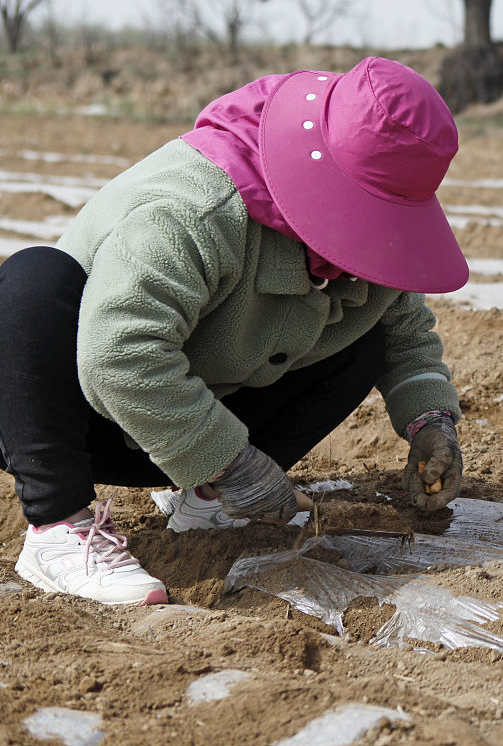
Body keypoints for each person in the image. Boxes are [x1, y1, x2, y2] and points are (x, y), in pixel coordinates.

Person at [0, 57, 469, 606]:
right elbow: (117, 356)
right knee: (34, 279)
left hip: (182, 422)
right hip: (67, 416)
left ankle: (206, 500)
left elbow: (405, 332)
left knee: (366, 341)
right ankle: (59, 530)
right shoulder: (197, 210)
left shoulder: (368, 248)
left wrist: (432, 424)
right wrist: (234, 462)